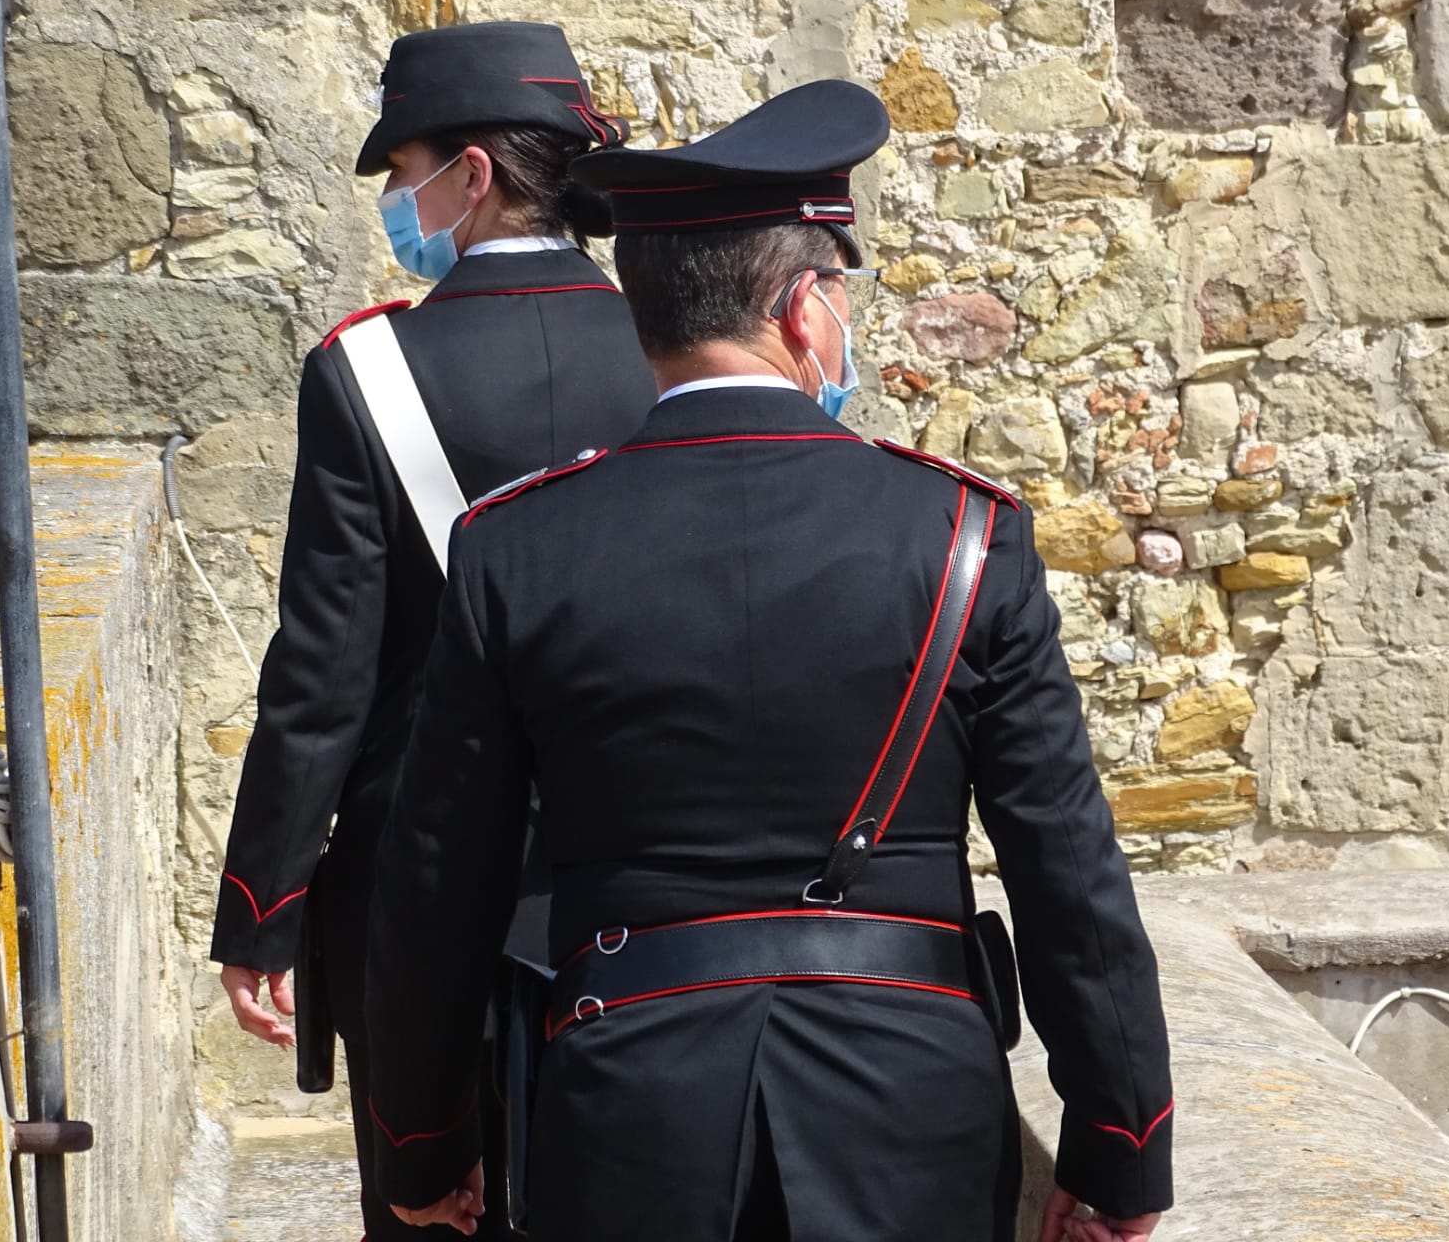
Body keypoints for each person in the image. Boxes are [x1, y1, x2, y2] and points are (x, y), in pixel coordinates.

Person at [361, 79, 1174, 1241]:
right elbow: (1067, 875)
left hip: (627, 1100)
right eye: (838, 293)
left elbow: (437, 880)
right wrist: (1116, 1148)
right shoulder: (962, 537)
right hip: (908, 1110)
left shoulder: (515, 546)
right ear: (802, 308)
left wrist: (426, 1142)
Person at [209, 22, 657, 1242]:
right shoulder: (675, 349)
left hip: (421, 884)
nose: (400, 204)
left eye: (405, 175)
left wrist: (265, 900)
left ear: (469, 177)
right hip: (652, 867)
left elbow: (322, 668)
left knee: (433, 1208)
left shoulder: (368, 371)